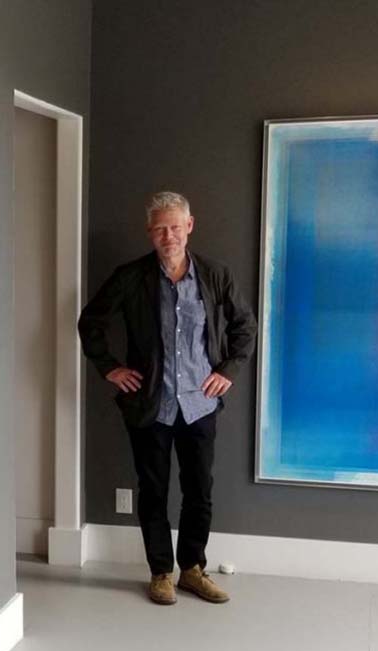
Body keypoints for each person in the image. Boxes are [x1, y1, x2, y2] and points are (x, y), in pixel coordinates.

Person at [78, 191, 257, 605]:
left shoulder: (215, 275)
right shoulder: (131, 277)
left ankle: (192, 569)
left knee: (199, 490)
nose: (169, 236)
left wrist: (227, 371)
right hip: (151, 405)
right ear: (149, 232)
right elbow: (91, 322)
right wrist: (110, 367)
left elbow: (244, 326)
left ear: (189, 227)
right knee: (154, 491)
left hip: (200, 403)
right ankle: (160, 572)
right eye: (160, 228)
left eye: (175, 227)